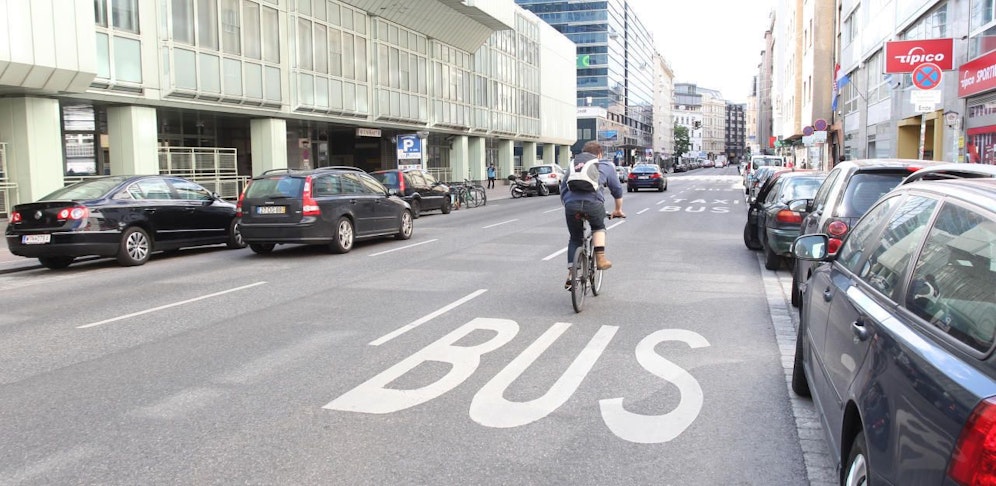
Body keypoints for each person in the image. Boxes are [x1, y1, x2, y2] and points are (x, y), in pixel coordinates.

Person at [560, 141, 625, 290]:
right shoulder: (606, 165)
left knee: (575, 238)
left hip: (571, 205)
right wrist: (618, 210)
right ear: (600, 154)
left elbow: (563, 187)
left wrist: (568, 204)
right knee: (598, 227)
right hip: (594, 205)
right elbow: (617, 190)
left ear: (583, 153)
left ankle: (571, 275)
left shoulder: (573, 165)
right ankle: (600, 259)